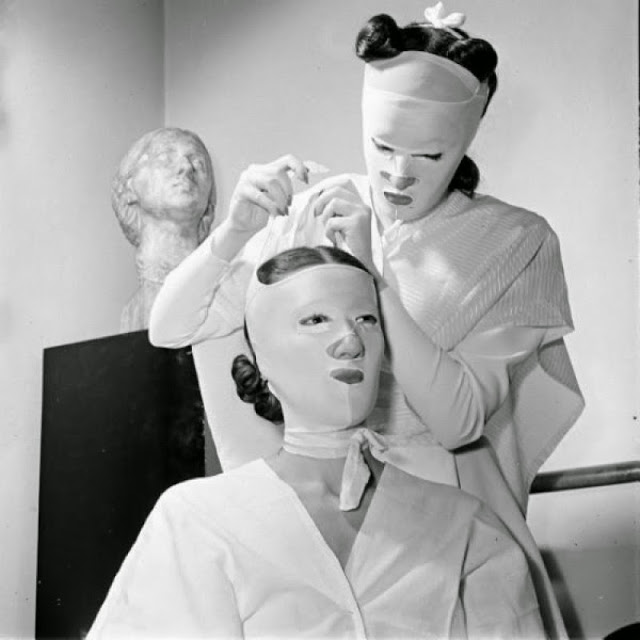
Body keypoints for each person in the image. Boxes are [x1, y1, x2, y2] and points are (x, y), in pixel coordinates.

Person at [148, 5, 584, 637]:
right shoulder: (318, 208)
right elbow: (169, 328)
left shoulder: (514, 239)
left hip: (443, 512)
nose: (399, 174)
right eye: (382, 147)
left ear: (465, 141)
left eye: (429, 154)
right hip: (317, 502)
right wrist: (235, 230)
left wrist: (373, 277)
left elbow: (459, 420)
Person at [89, 247, 545, 639]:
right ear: (260, 360)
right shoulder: (196, 521)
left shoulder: (465, 527)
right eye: (315, 320)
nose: (350, 342)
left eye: (366, 320)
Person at [112, 127, 215, 332]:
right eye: (166, 158)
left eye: (198, 163)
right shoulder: (133, 312)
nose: (186, 167)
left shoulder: (224, 298)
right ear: (130, 187)